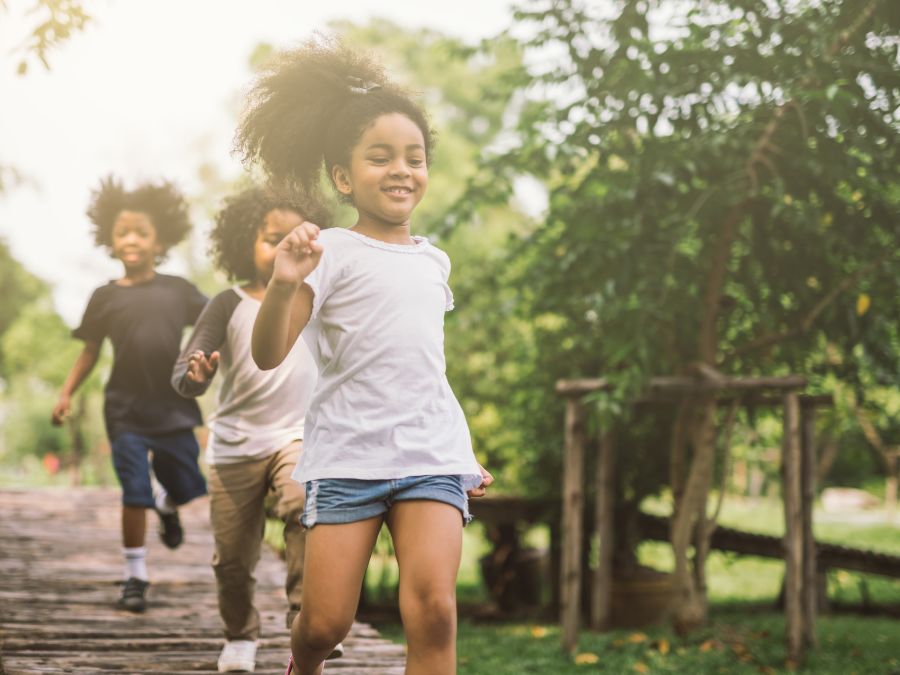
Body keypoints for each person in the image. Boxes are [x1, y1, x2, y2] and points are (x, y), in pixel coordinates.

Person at [236, 38, 493, 675]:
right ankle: (305, 664)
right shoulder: (328, 251)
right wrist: (285, 281)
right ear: (344, 177)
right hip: (350, 456)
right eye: (381, 158)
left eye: (415, 157)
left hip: (429, 456)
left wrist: (462, 452)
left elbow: (423, 368)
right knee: (325, 623)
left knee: (434, 610)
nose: (402, 169)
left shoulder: (435, 261)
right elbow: (268, 354)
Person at [171, 186, 342, 673]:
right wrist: (195, 374)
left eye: (294, 237)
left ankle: (305, 624)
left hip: (297, 436)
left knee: (303, 509)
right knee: (232, 558)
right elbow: (184, 371)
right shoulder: (228, 302)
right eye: (270, 238)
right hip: (235, 445)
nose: (283, 247)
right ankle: (240, 635)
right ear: (245, 243)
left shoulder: (317, 300)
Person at [52, 176, 208, 613]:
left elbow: (218, 319)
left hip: (174, 406)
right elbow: (89, 352)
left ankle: (168, 502)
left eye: (141, 231)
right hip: (125, 410)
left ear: (160, 240)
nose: (132, 239)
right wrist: (66, 392)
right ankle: (135, 575)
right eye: (123, 233)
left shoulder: (178, 290)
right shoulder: (104, 297)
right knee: (133, 491)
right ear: (110, 240)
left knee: (189, 484)